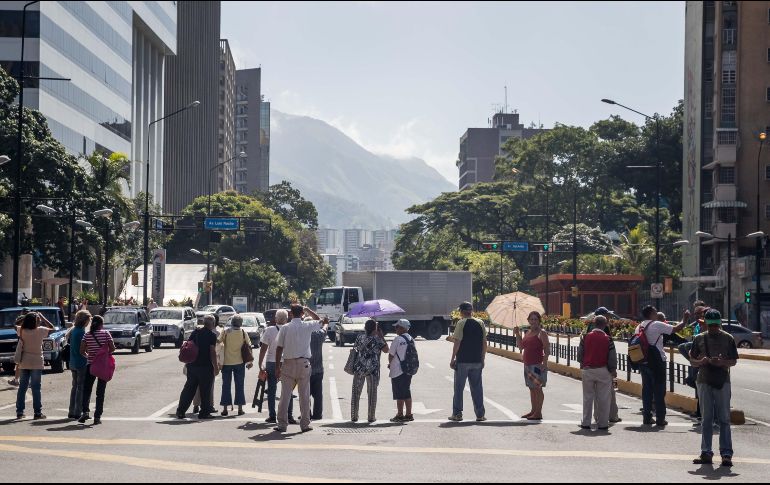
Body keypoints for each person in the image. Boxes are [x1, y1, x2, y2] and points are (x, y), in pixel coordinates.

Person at [690, 309, 738, 468]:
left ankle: (726, 454)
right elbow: (692, 361)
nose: (713, 329)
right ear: (706, 324)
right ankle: (706, 452)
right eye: (710, 326)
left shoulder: (728, 339)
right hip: (704, 380)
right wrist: (701, 361)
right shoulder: (699, 339)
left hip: (722, 380)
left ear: (720, 324)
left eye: (715, 325)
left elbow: (734, 361)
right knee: (707, 419)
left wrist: (723, 362)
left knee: (724, 418)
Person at [274, 305, 327, 432]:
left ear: (290, 314)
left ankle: (282, 424)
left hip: (288, 363)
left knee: (285, 395)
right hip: (304, 363)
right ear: (302, 314)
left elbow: (279, 348)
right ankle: (304, 424)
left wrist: (277, 367)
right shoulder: (306, 326)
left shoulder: (285, 328)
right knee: (304, 395)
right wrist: (308, 310)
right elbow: (319, 320)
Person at [635, 305, 686, 426]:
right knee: (659, 391)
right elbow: (676, 329)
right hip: (657, 362)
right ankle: (660, 418)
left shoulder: (639, 326)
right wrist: (685, 319)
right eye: (655, 312)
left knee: (646, 390)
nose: (656, 313)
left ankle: (647, 417)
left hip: (643, 361)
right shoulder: (656, 324)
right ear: (652, 314)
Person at [577, 315, 617, 430]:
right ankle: (603, 423)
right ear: (605, 325)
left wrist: (582, 363)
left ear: (594, 323)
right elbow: (612, 357)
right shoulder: (608, 339)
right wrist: (613, 370)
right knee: (604, 398)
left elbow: (580, 354)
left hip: (588, 369)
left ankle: (585, 422)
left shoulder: (585, 337)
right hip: (603, 370)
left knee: (587, 397)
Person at [449, 302, 487, 422]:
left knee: (459, 388)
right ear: (471, 311)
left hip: (463, 361)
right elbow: (484, 343)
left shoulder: (461, 323)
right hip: (476, 361)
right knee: (477, 388)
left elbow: (457, 343)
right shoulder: (480, 322)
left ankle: (457, 414)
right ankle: (480, 415)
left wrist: (452, 358)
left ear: (461, 312)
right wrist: (482, 359)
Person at [176, 315, 219, 419]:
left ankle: (180, 411)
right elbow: (212, 352)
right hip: (205, 367)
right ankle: (204, 412)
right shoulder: (212, 336)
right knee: (205, 390)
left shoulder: (195, 332)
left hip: (192, 365)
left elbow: (188, 345)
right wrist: (216, 367)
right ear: (213, 324)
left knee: (189, 389)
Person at [14, 312, 55, 419]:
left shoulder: (22, 330)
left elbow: (15, 324)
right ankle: (37, 412)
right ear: (36, 321)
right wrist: (43, 317)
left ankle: (19, 412)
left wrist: (25, 317)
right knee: (36, 388)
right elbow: (52, 328)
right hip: (37, 361)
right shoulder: (41, 330)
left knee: (22, 387)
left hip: (24, 361)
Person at [258, 309, 295, 424]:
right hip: (286, 362)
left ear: (275, 318)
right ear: (286, 318)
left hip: (271, 362)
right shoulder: (290, 329)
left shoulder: (269, 330)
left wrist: (260, 364)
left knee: (272, 390)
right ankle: (289, 415)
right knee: (288, 390)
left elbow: (263, 348)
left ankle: (272, 415)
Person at [350, 319, 388, 423]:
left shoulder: (360, 337)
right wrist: (381, 335)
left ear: (365, 328)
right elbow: (386, 350)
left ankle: (354, 416)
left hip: (359, 367)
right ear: (375, 329)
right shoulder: (377, 339)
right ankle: (371, 416)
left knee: (356, 392)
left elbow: (356, 348)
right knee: (372, 394)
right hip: (372, 370)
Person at [78, 315, 115, 425]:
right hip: (103, 366)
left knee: (87, 389)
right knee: (100, 392)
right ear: (101, 324)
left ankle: (85, 411)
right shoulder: (106, 334)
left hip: (91, 365)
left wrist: (89, 357)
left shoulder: (87, 335)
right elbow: (112, 348)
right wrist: (104, 355)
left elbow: (81, 351)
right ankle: (97, 417)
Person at [514, 311, 550, 420]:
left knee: (538, 388)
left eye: (535, 319)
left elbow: (547, 348)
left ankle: (538, 413)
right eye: (531, 319)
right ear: (528, 320)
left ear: (539, 321)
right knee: (531, 388)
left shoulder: (541, 333)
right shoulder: (528, 332)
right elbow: (521, 347)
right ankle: (533, 411)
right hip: (527, 364)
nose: (533, 321)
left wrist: (544, 363)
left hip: (537, 365)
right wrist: (517, 334)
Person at [218, 315, 253, 416]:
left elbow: (218, 341)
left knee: (226, 386)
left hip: (226, 363)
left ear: (231, 322)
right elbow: (249, 346)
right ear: (241, 323)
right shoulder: (243, 332)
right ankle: (240, 409)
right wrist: (250, 362)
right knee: (239, 386)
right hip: (239, 362)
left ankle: (225, 409)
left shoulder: (225, 331)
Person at [592, 307, 621, 423]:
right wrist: (613, 368)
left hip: (591, 366)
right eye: (607, 315)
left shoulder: (589, 329)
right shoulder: (605, 330)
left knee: (595, 393)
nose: (609, 318)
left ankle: (597, 415)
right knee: (610, 392)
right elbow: (610, 350)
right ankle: (612, 415)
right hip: (605, 366)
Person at [388, 319, 415, 423]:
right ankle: (408, 414)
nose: (396, 329)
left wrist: (390, 364)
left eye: (397, 327)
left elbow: (391, 355)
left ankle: (400, 415)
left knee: (399, 393)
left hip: (398, 370)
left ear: (402, 328)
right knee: (407, 391)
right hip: (408, 369)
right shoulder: (411, 339)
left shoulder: (397, 339)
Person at [67, 310, 91, 419]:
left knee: (75, 387)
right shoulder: (82, 332)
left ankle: (71, 410)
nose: (89, 322)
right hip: (81, 362)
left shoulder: (73, 330)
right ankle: (78, 411)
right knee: (81, 388)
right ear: (84, 320)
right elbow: (84, 349)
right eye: (88, 320)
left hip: (72, 361)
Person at [309, 322, 327, 420]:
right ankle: (317, 414)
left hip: (305, 369)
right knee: (318, 394)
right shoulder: (319, 334)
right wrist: (325, 323)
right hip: (318, 368)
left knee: (305, 393)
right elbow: (324, 329)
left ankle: (306, 413)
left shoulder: (304, 334)